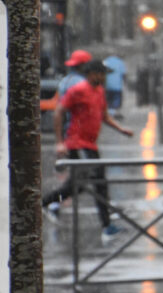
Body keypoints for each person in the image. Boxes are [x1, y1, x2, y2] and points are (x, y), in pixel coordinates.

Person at [42, 60, 135, 243]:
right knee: (97, 181)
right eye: (101, 74)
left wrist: (120, 129)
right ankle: (107, 226)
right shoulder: (78, 90)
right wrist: (60, 142)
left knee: (80, 184)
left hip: (90, 145)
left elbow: (104, 116)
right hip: (77, 144)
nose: (103, 78)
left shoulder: (99, 91)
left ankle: (47, 203)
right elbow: (59, 111)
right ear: (91, 73)